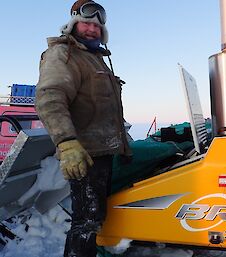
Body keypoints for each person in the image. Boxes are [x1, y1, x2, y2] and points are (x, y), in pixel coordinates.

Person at [35, 1, 132, 256]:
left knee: (93, 218)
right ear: (73, 24)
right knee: (86, 222)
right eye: (86, 23)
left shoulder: (94, 59)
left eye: (97, 26)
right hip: (85, 154)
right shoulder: (64, 54)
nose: (91, 29)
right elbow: (50, 96)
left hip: (102, 152)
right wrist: (66, 143)